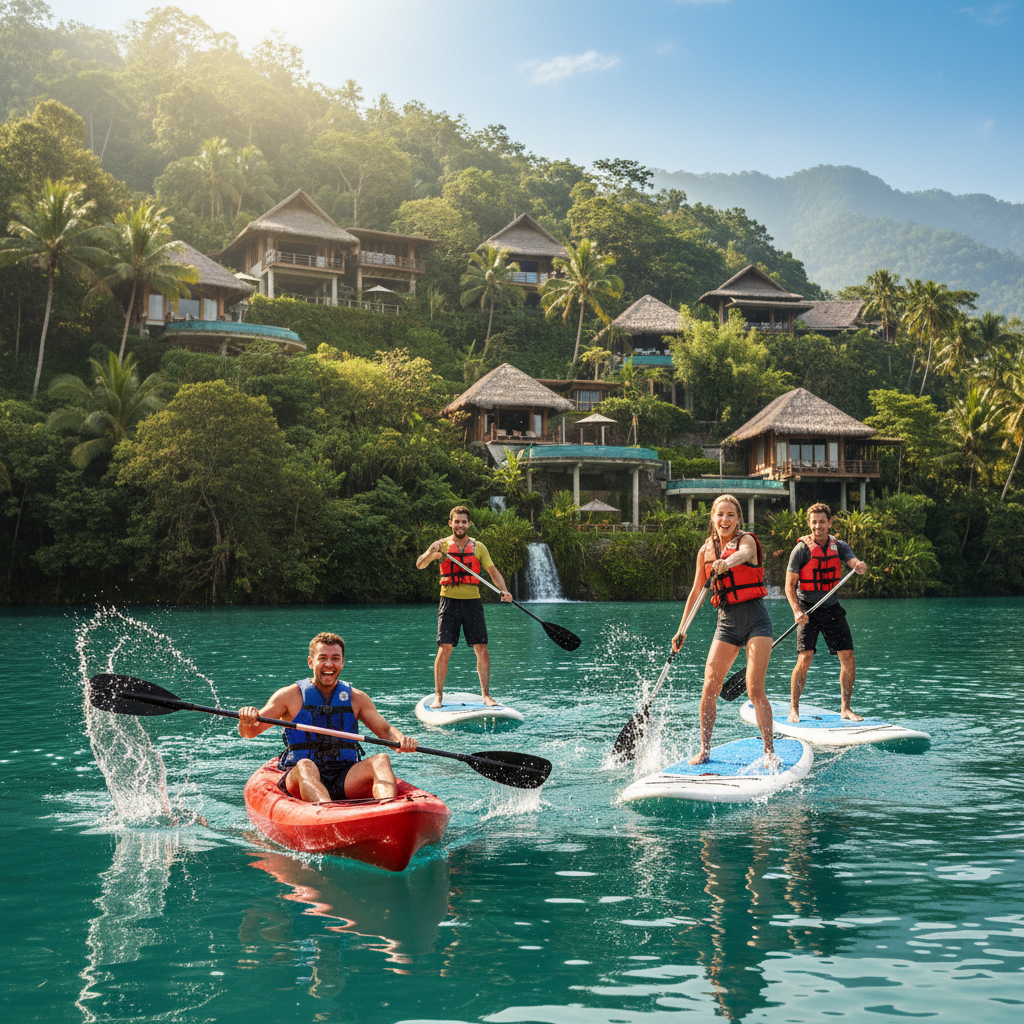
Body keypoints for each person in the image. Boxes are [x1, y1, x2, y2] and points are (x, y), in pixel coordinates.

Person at [238, 631, 417, 802]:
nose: (329, 664)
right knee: (306, 765)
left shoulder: (357, 698)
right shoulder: (289, 696)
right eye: (322, 658)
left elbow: (386, 731)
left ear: (342, 662)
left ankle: (388, 808)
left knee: (381, 760)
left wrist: (402, 740)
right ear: (311, 662)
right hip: (301, 776)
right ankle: (326, 812)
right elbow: (250, 732)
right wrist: (246, 719)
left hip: (345, 776)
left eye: (335, 659)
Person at [671, 494, 777, 766]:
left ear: (738, 518)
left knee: (754, 688)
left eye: (730, 515)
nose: (725, 519)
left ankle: (769, 752)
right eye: (720, 514)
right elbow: (696, 592)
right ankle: (705, 750)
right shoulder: (704, 551)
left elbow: (744, 555)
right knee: (709, 686)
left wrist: (726, 563)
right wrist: (681, 630)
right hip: (726, 623)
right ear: (713, 518)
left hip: (756, 620)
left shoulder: (747, 540)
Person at [416, 505, 513, 709]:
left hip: (472, 603)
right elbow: (420, 564)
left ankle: (486, 695)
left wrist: (504, 590)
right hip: (448, 602)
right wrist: (430, 551)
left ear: (469, 524)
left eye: (464, 522)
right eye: (457, 521)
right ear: (450, 523)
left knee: (481, 648)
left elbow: (493, 572)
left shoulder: (479, 547)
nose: (460, 525)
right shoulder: (442, 546)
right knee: (444, 647)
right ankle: (438, 696)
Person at [785, 502, 868, 722]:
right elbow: (789, 586)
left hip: (832, 608)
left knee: (848, 657)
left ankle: (846, 709)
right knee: (805, 657)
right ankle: (794, 708)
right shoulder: (801, 550)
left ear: (830, 522)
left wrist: (858, 566)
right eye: (814, 522)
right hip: (807, 610)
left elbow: (853, 561)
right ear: (809, 524)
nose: (818, 526)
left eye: (822, 522)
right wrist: (796, 611)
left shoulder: (839, 546)